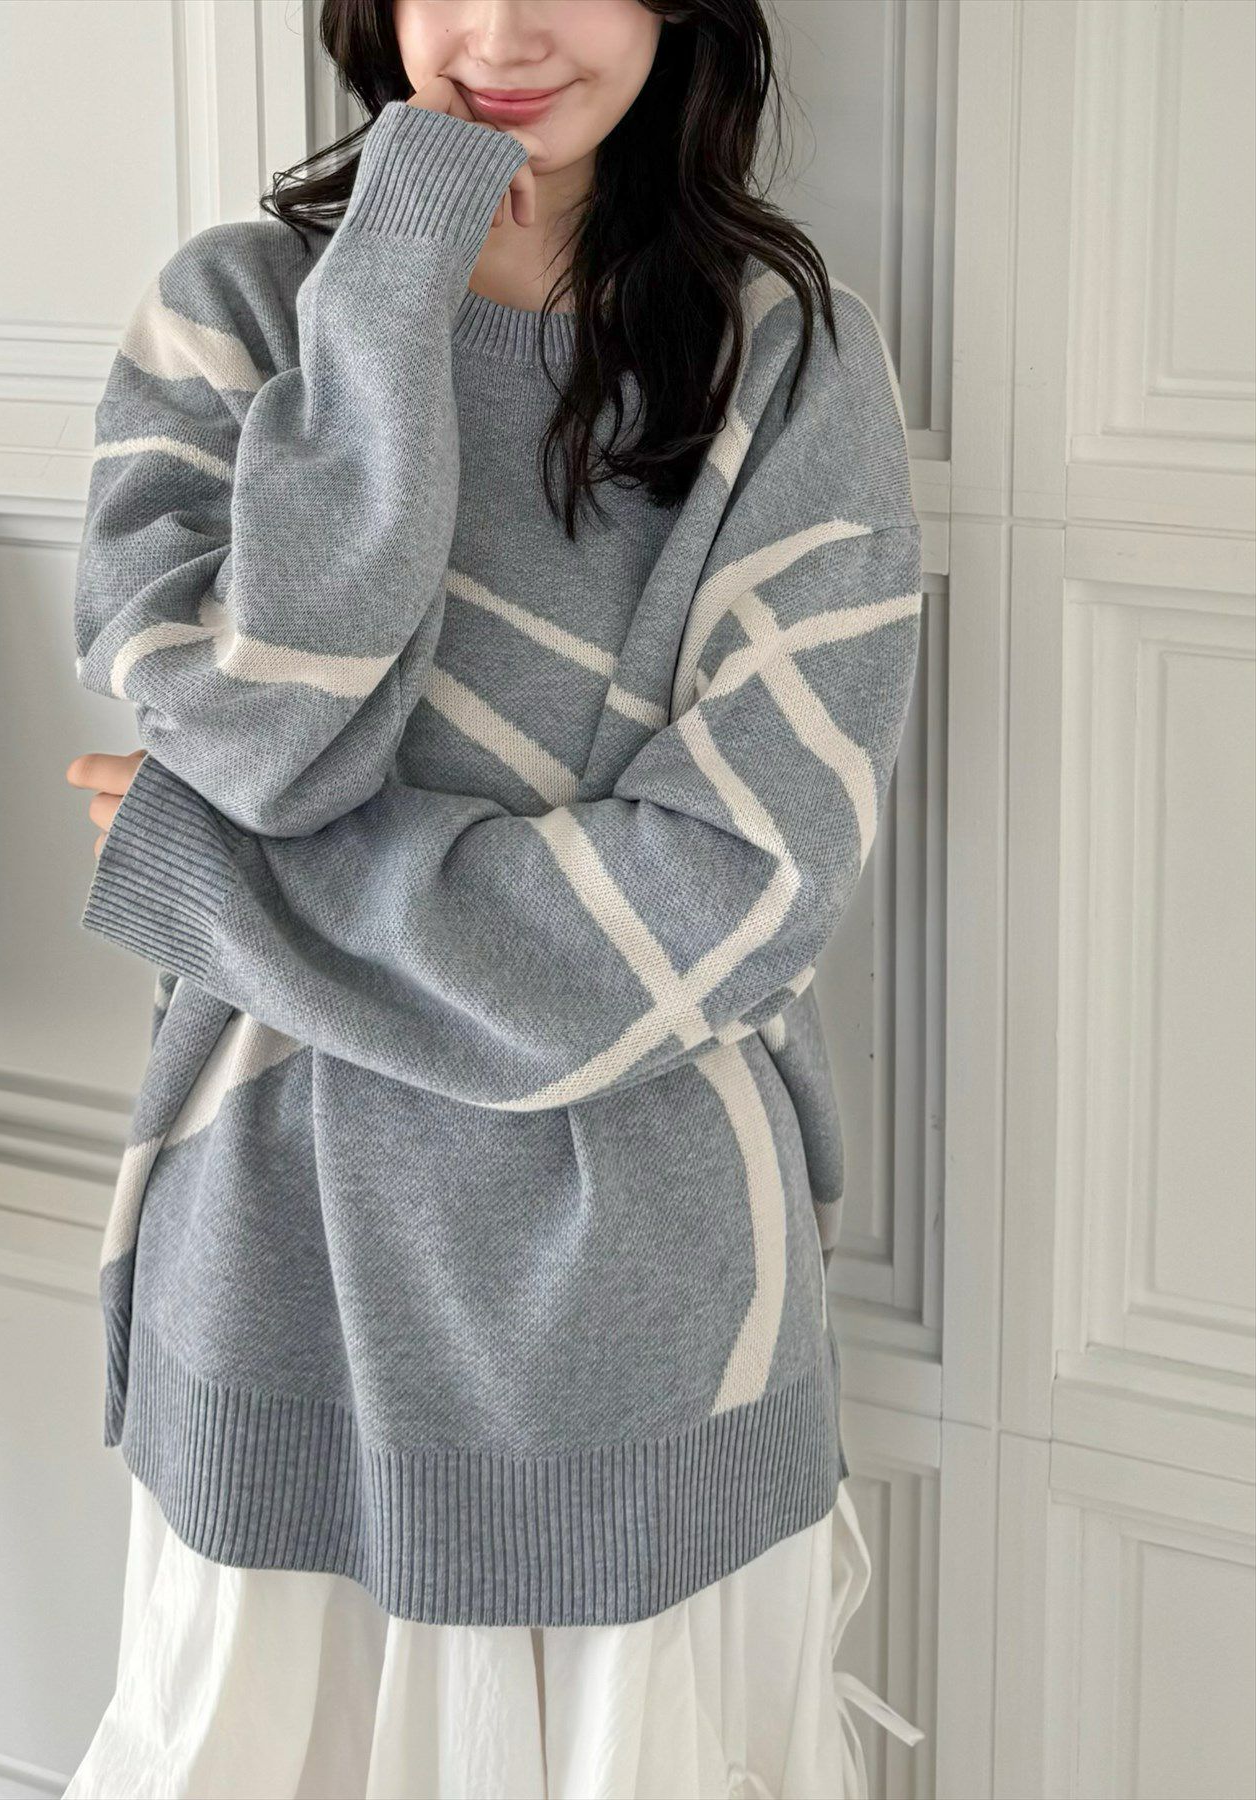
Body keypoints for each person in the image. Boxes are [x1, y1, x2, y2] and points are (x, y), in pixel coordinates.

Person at [61, 1, 926, 1793]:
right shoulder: (235, 314)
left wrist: (218, 888)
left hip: (646, 1300)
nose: (508, 26)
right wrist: (392, 282)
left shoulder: (784, 358)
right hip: (279, 1256)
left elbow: (738, 889)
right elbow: (267, 748)